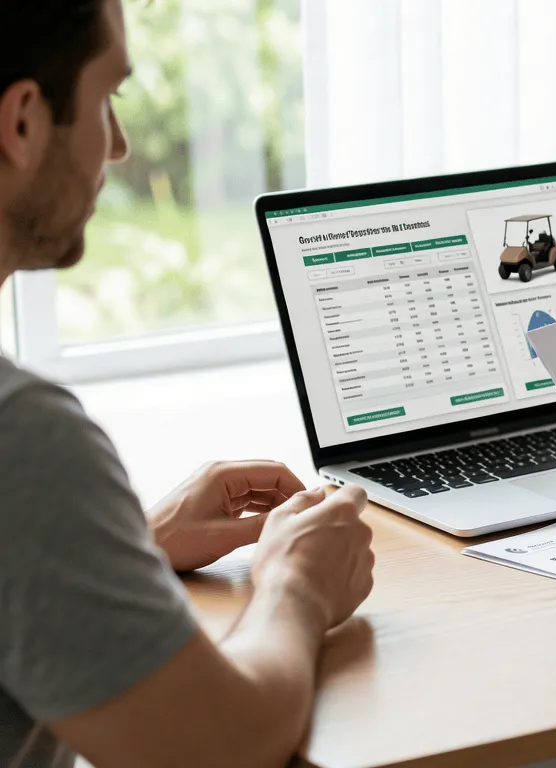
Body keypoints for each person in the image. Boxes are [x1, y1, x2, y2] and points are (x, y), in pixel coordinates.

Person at [0, 2, 376, 766]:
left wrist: (126, 546)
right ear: (23, 122)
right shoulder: (23, 438)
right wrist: (295, 583)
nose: (119, 145)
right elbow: (225, 746)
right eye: (108, 99)